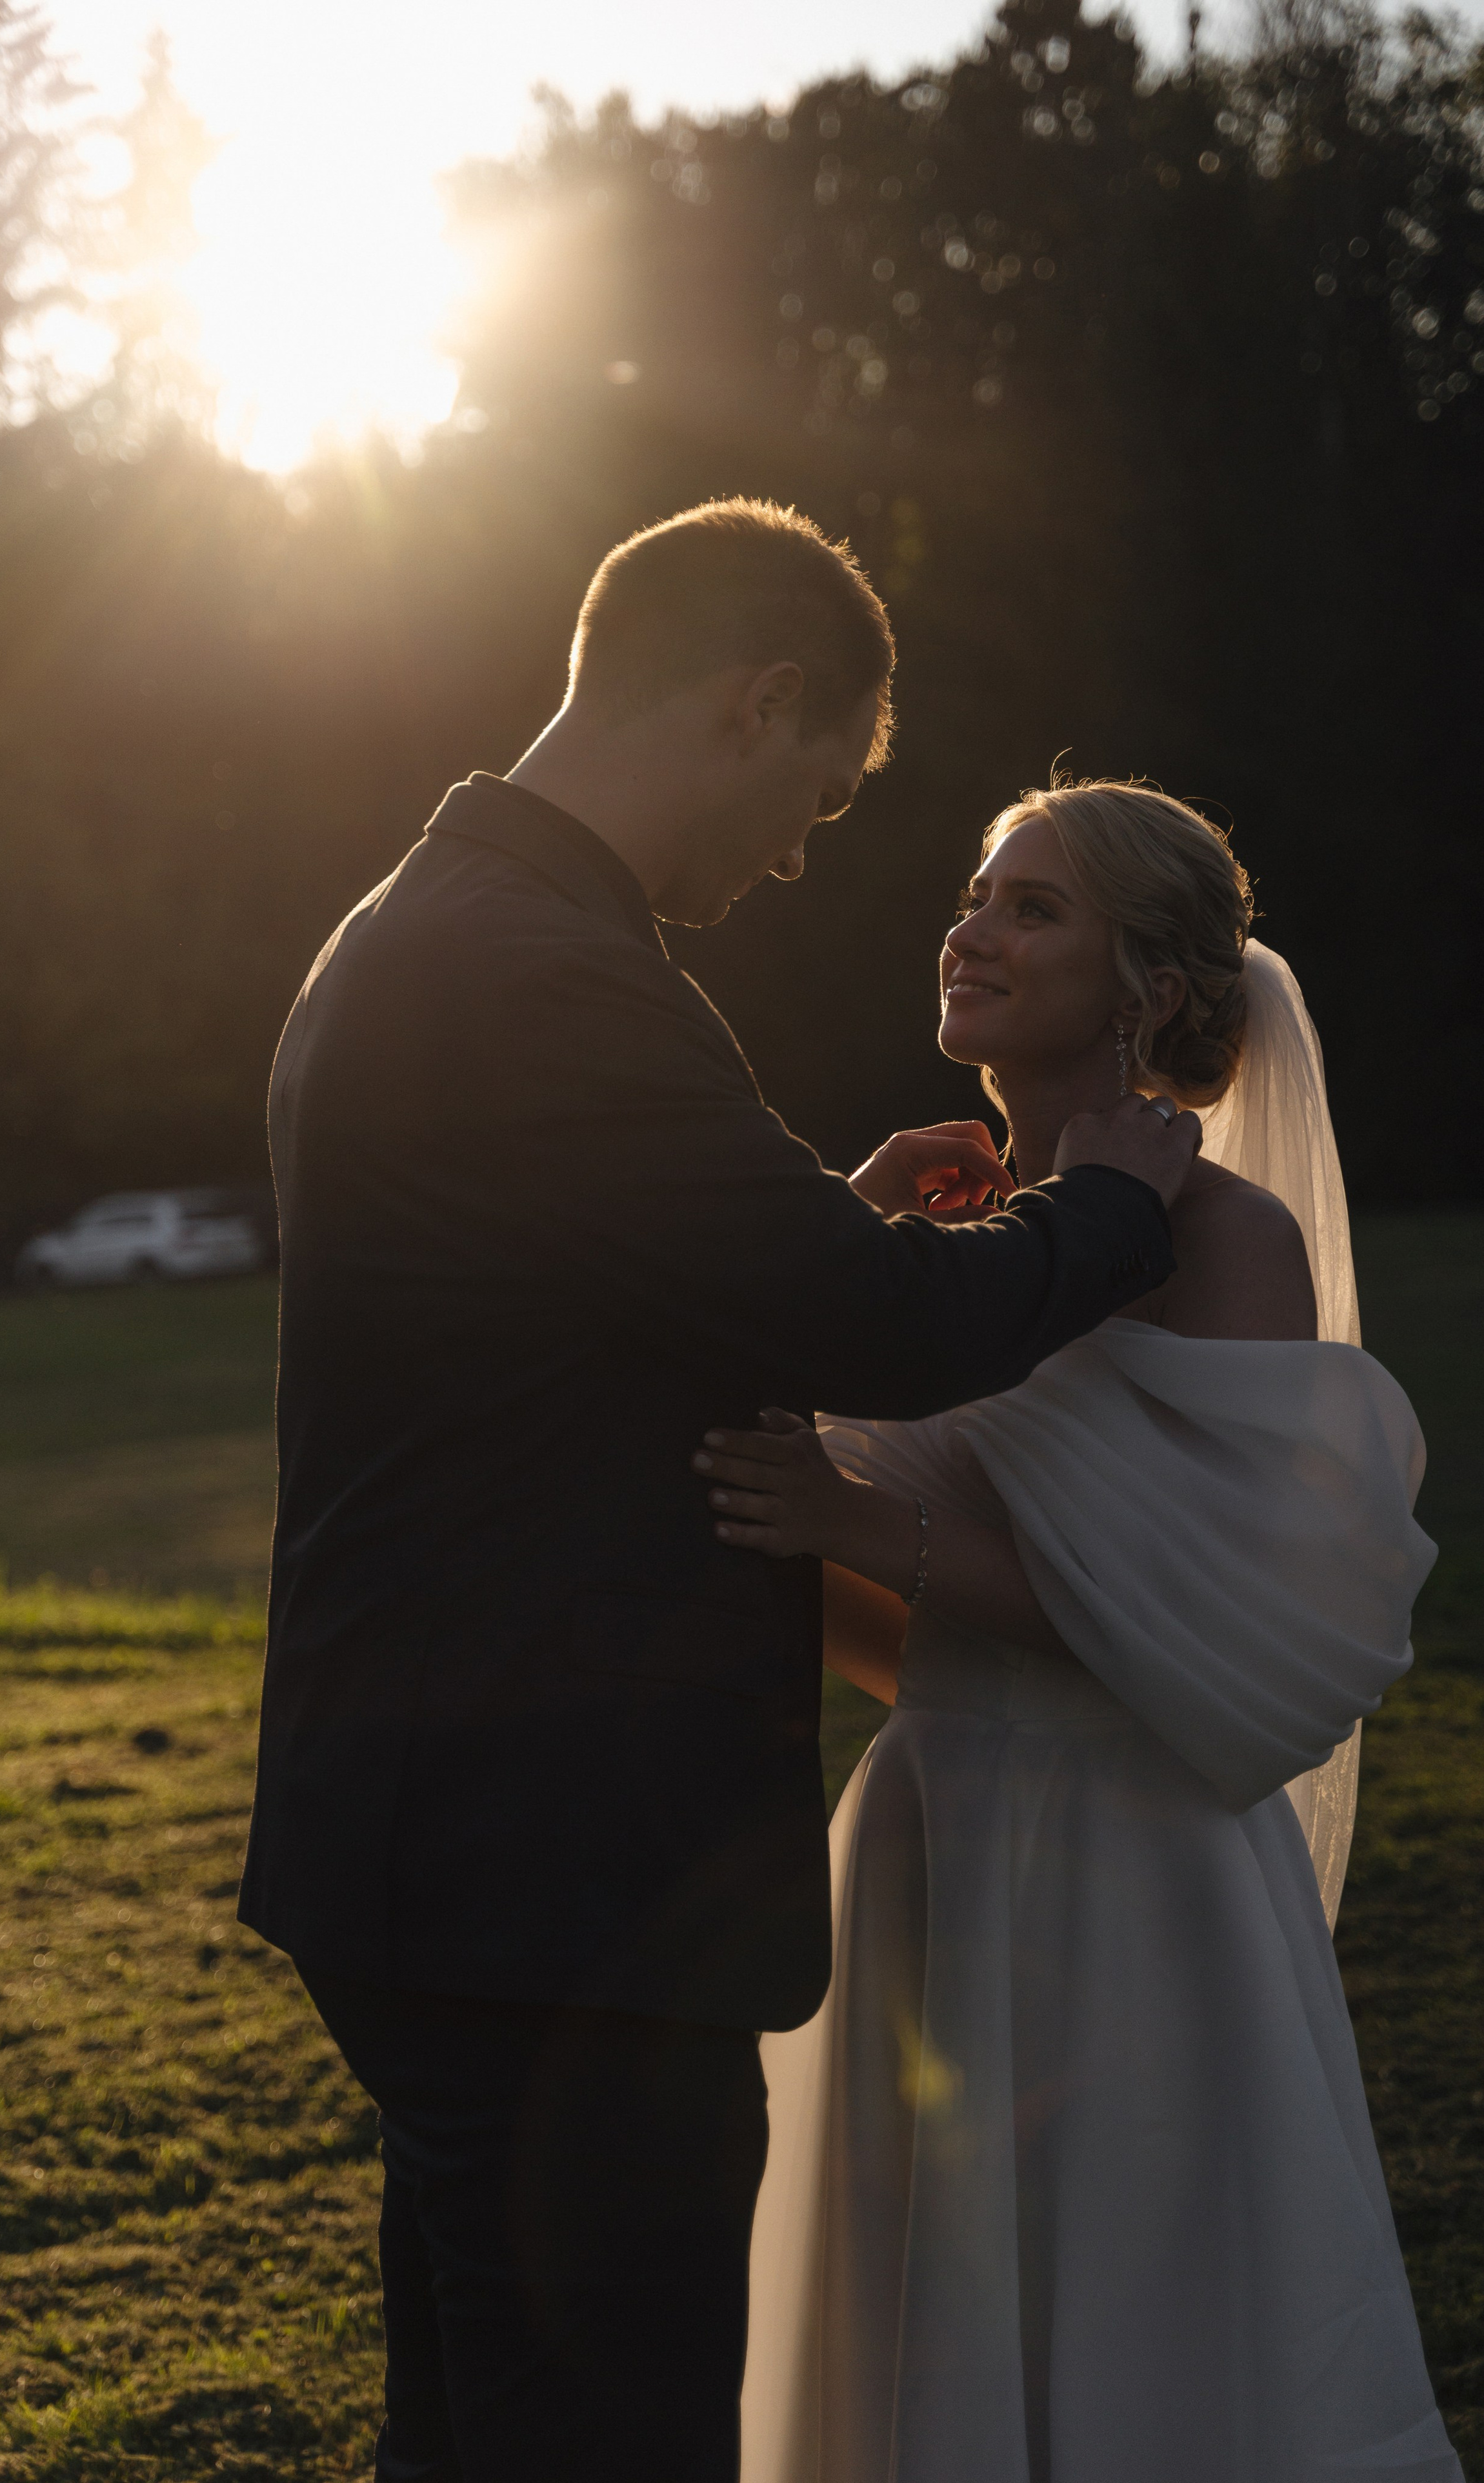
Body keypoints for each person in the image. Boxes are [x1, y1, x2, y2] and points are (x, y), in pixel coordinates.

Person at [237, 503, 1201, 2483]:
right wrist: (1109, 1201)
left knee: (490, 2415)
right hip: (548, 1870)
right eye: (826, 798)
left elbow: (552, 1323)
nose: (799, 855)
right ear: (761, 705)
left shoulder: (439, 922)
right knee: (605, 2434)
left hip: (450, 1841)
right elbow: (875, 1323)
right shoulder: (543, 970)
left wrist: (795, 1247)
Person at [701, 779, 1459, 2481]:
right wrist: (840, 1234)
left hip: (1137, 1870)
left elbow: (1210, 1627)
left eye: (1033, 905)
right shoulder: (942, 1238)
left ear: (1155, 990)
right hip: (930, 1829)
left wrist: (869, 1524)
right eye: (979, 892)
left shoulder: (1222, 1243)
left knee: (1145, 2332)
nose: (971, 925)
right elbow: (832, 1577)